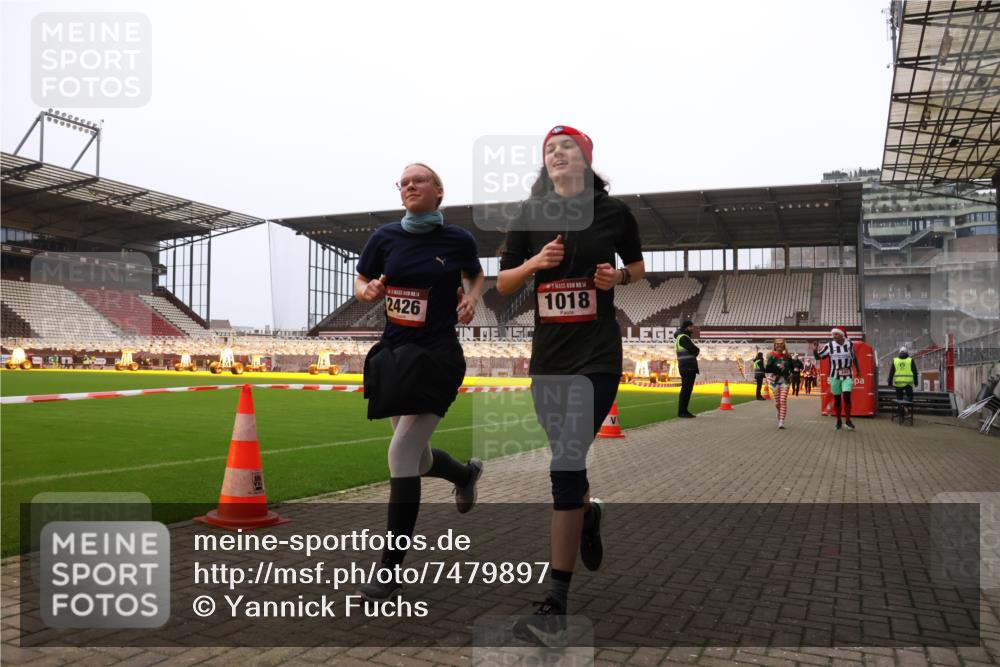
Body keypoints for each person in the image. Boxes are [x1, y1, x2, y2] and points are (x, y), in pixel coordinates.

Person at [497, 125, 645, 646]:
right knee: (568, 462)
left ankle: (554, 602)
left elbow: (639, 266)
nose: (556, 153)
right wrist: (536, 263)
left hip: (598, 356)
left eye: (566, 146)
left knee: (563, 463)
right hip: (549, 359)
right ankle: (588, 513)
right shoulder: (529, 215)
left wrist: (617, 280)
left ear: (585, 157)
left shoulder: (613, 212)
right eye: (548, 149)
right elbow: (503, 282)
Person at [355, 162, 486, 602]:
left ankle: (389, 572)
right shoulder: (384, 237)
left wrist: (470, 297)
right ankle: (465, 474)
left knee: (401, 452)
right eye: (403, 182)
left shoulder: (457, 239)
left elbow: (475, 273)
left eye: (419, 180)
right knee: (421, 457)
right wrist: (366, 291)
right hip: (394, 355)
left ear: (439, 191)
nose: (410, 186)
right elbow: (362, 281)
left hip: (437, 356)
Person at [813, 327, 861, 431]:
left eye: (836, 334)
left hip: (847, 375)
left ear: (842, 335)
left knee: (847, 397)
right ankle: (839, 420)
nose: (834, 337)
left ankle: (848, 420)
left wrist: (858, 369)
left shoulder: (850, 344)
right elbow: (819, 357)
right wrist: (815, 350)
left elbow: (854, 357)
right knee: (837, 399)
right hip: (834, 375)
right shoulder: (829, 345)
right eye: (833, 335)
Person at [765, 339, 794, 429]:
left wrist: (791, 374)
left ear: (784, 345)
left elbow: (792, 368)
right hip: (774, 381)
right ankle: (779, 411)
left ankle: (781, 421)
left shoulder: (788, 356)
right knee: (777, 402)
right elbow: (767, 368)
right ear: (774, 345)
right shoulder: (771, 355)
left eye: (781, 344)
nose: (779, 345)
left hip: (785, 381)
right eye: (777, 344)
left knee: (783, 401)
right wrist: (772, 359)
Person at [675, 320, 700, 417]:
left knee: (686, 390)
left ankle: (683, 411)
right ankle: (683, 412)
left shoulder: (680, 337)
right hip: (688, 366)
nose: (692, 329)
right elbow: (695, 350)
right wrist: (697, 350)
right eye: (691, 327)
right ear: (687, 327)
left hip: (685, 366)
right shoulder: (683, 337)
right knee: (686, 390)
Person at [887, 346, 919, 418]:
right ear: (907, 352)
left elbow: (891, 372)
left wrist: (890, 382)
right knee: (910, 397)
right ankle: (906, 406)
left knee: (899, 399)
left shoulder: (895, 360)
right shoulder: (910, 360)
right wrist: (916, 382)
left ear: (899, 352)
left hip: (898, 383)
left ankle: (901, 413)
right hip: (908, 383)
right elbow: (915, 372)